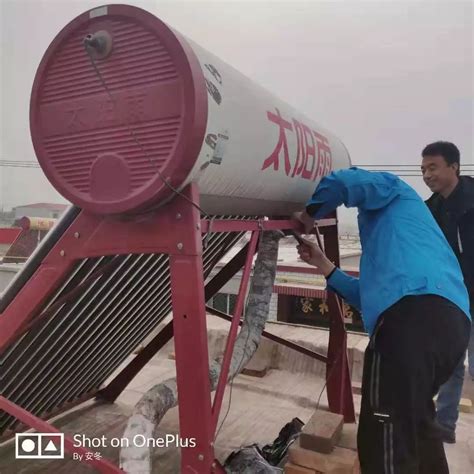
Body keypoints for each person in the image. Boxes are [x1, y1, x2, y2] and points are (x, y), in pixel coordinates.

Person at [295, 167, 470, 474]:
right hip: (452, 324)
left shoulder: (393, 189)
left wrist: (308, 214)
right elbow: (370, 298)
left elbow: (343, 181)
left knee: (383, 436)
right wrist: (323, 264)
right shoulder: (401, 243)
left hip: (412, 320)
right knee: (416, 425)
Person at [421, 141, 474, 443]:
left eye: (433, 167)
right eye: (424, 169)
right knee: (451, 364)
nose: (427, 175)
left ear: (454, 167)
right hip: (454, 299)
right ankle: (444, 426)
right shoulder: (431, 209)